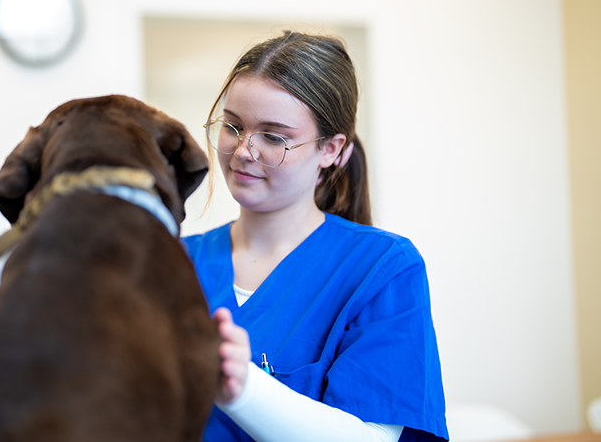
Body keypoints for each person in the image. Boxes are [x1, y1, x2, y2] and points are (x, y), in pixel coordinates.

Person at [182, 31, 449, 442]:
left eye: (274, 137)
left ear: (332, 149)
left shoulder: (381, 268)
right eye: (233, 126)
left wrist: (245, 390)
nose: (243, 151)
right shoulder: (175, 261)